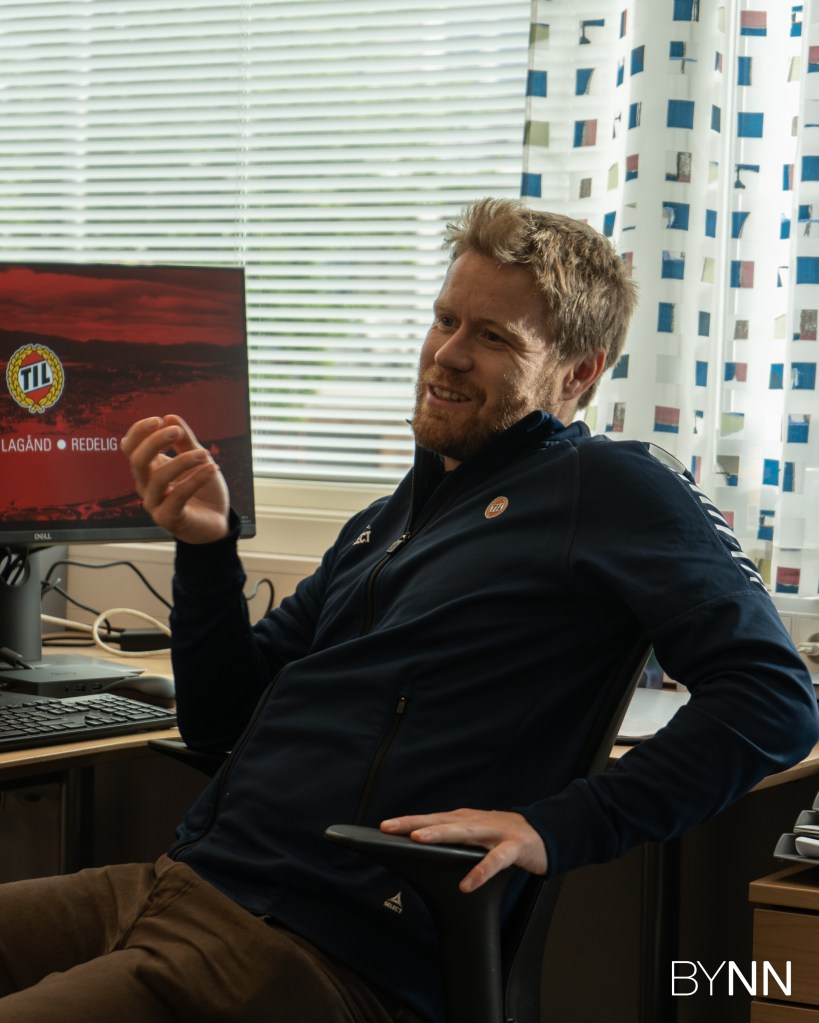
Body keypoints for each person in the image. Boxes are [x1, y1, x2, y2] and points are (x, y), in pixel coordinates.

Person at [0, 198, 816, 1023]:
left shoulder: (610, 489)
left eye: (493, 337)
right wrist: (207, 549)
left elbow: (775, 700)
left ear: (577, 372)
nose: (448, 354)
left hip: (308, 949)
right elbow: (218, 724)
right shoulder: (390, 521)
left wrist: (559, 826)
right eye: (444, 319)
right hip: (181, 884)